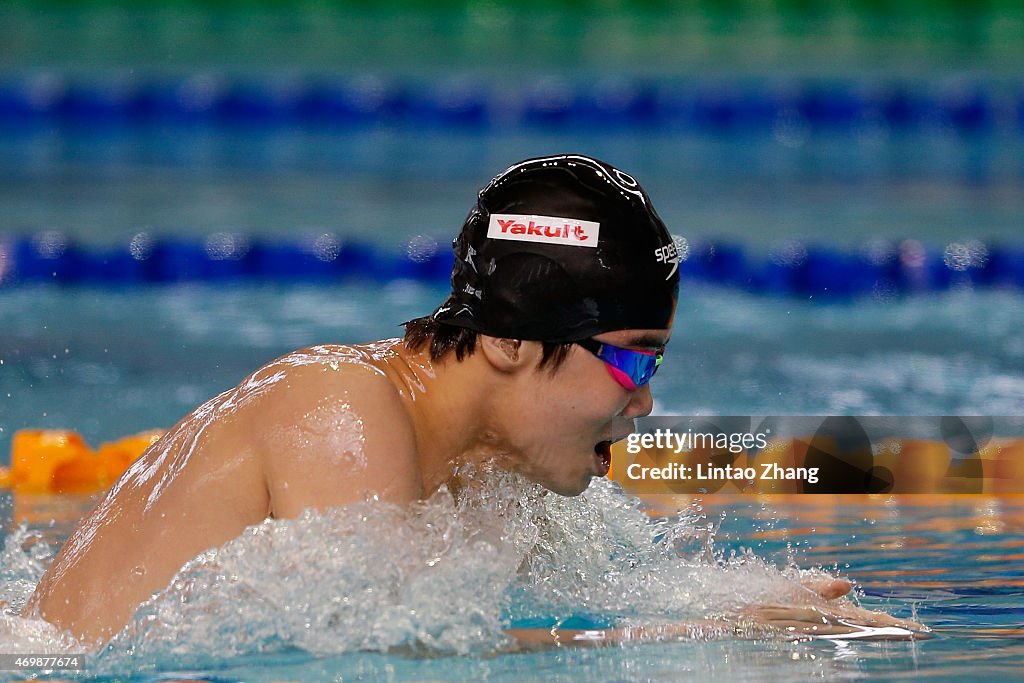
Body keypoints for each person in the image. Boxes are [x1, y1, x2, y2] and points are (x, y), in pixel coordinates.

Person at [23, 154, 925, 646]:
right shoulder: (342, 408)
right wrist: (687, 641)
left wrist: (746, 602)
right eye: (634, 362)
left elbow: (563, 605)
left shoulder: (491, 469)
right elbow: (387, 660)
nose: (644, 404)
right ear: (507, 341)